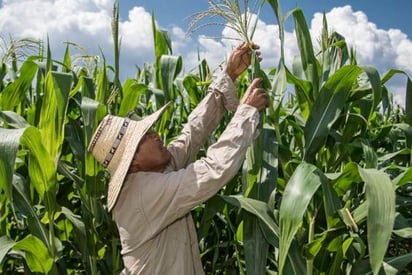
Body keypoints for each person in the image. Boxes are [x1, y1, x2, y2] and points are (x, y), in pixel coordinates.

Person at [87, 42, 269, 275]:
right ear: (133, 162)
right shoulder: (142, 194)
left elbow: (191, 135)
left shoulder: (152, 172)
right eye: (144, 136)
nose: (155, 134)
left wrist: (229, 75)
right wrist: (245, 113)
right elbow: (212, 170)